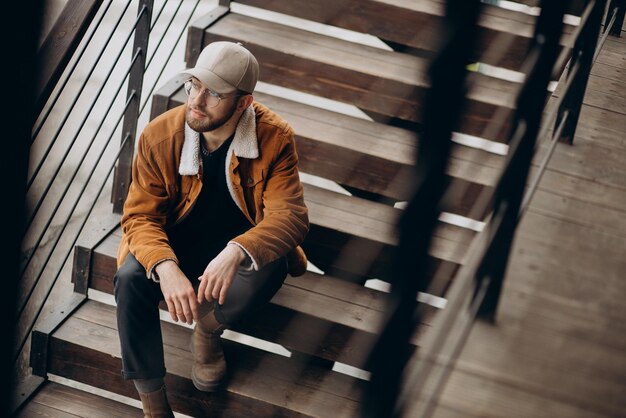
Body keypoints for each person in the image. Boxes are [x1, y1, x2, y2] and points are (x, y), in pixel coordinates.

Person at [113, 41, 309, 417]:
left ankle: (207, 330)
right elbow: (139, 218)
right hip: (175, 241)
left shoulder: (274, 137)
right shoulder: (158, 136)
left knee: (273, 264)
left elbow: (291, 217)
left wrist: (237, 250)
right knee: (129, 278)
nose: (197, 101)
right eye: (193, 85)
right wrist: (165, 267)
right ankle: (154, 404)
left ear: (243, 103)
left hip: (231, 247)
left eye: (214, 93)